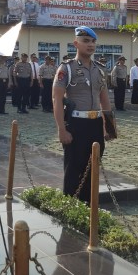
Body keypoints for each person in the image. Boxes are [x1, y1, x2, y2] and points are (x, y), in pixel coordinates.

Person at [52, 26, 111, 204]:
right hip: (76, 124)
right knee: (73, 169)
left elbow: (105, 100)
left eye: (93, 41)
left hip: (95, 124)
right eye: (86, 41)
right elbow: (56, 99)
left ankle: (88, 208)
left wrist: (109, 127)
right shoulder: (66, 68)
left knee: (92, 169)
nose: (90, 45)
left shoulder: (100, 69)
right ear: (76, 44)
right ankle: (70, 208)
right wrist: (61, 130)